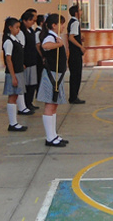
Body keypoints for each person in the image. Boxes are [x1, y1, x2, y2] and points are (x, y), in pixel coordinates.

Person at [38, 14, 70, 147]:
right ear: (53, 26)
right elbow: (45, 46)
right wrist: (59, 44)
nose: (63, 26)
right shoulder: (50, 37)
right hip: (51, 75)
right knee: (50, 105)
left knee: (54, 105)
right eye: (61, 24)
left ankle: (53, 135)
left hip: (57, 75)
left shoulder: (55, 36)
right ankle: (50, 137)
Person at [2, 17, 27, 132]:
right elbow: (8, 59)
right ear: (10, 27)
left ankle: (14, 122)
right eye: (16, 27)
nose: (18, 30)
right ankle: (12, 123)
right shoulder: (8, 41)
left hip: (18, 71)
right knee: (12, 97)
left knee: (15, 96)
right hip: (13, 73)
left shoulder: (15, 39)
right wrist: (13, 76)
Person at [20, 10, 40, 112]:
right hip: (26, 62)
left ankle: (30, 102)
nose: (34, 22)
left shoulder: (31, 30)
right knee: (25, 85)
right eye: (32, 20)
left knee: (32, 84)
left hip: (33, 61)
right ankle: (24, 104)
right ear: (25, 20)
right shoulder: (21, 31)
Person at [67, 5, 86, 104]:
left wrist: (80, 38)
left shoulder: (73, 22)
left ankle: (74, 96)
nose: (81, 12)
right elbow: (71, 37)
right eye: (80, 10)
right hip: (75, 54)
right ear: (76, 13)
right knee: (76, 76)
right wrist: (80, 46)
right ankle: (73, 97)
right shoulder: (75, 22)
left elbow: (74, 36)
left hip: (74, 53)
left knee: (75, 75)